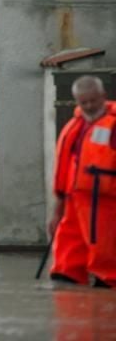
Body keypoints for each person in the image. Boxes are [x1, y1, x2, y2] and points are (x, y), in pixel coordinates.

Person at [49, 75, 116, 287]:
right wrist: (58, 204)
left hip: (104, 201)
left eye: (93, 101)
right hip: (73, 200)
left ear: (103, 97)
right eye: (83, 102)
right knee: (67, 250)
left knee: (104, 251)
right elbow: (65, 165)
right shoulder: (75, 125)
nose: (88, 106)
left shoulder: (113, 124)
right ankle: (67, 280)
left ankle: (106, 286)